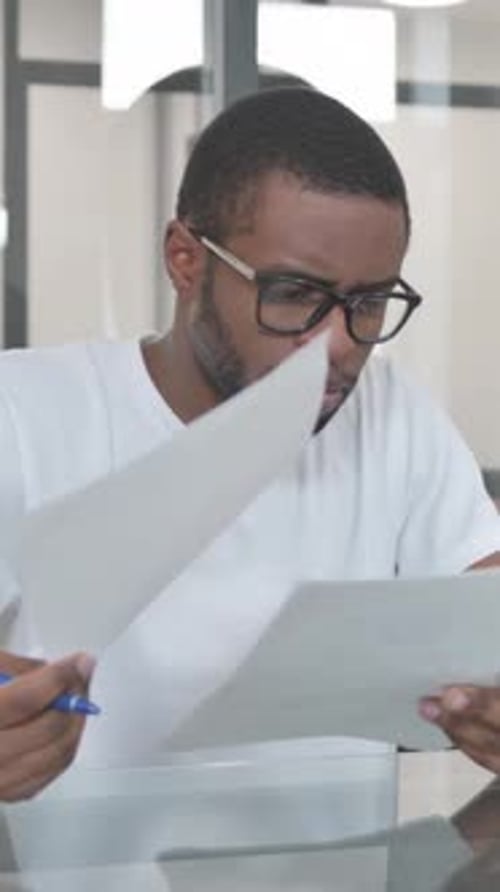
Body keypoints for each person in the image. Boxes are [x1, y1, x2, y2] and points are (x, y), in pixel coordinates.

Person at [0, 86, 499, 801]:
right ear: (184, 259)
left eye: (368, 303)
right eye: (294, 293)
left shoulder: (392, 415)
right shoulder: (21, 412)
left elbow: (489, 600)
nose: (335, 345)